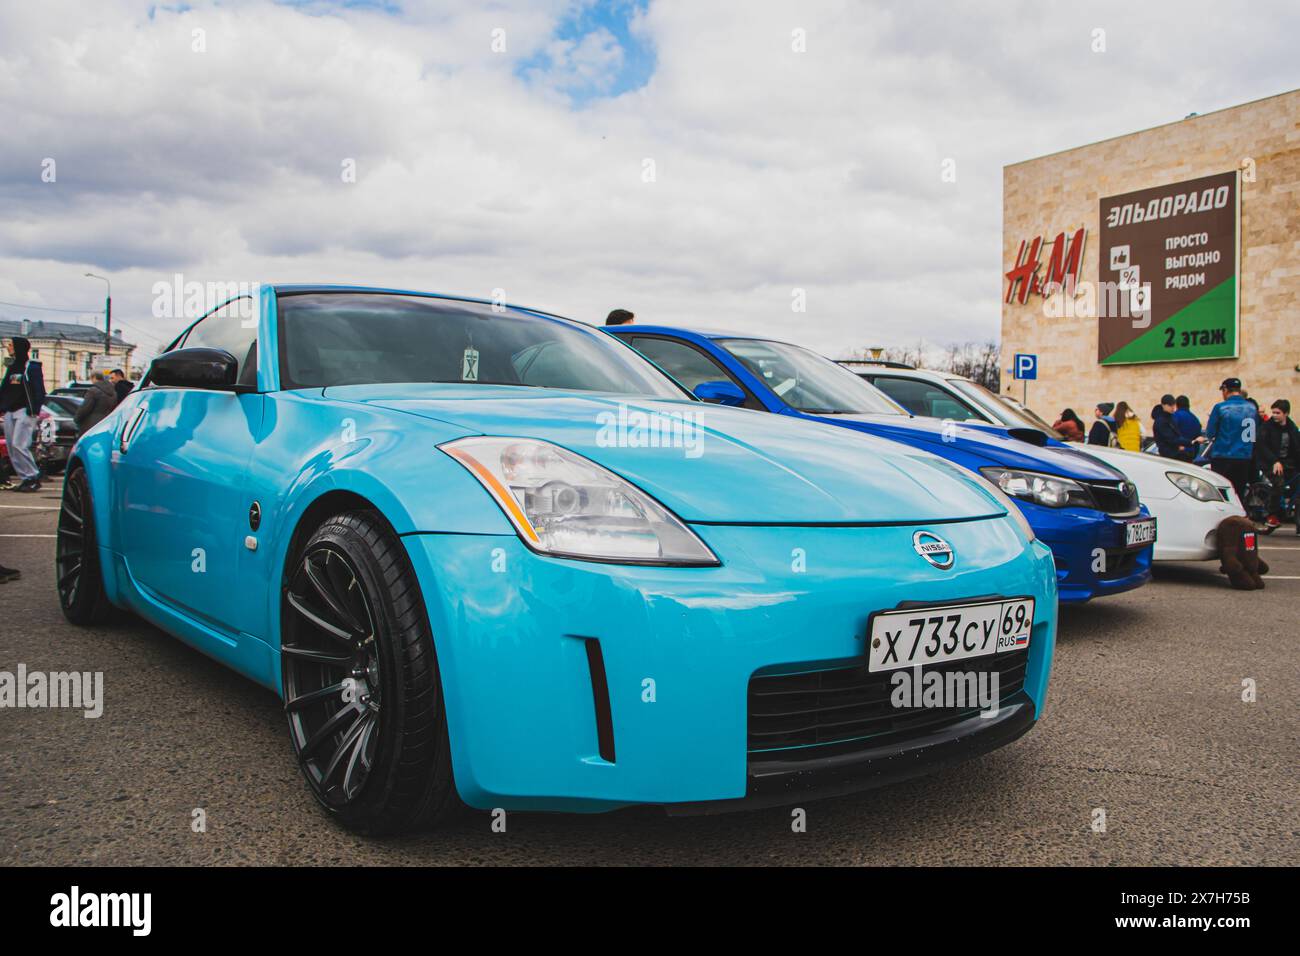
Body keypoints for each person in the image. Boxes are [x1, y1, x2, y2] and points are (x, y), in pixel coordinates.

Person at [1200, 377, 1257, 503]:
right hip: (1244, 456)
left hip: (1223, 455)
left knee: (1222, 494)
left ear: (1225, 390)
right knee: (1239, 494)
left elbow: (1210, 433)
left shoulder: (1221, 407)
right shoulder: (1252, 408)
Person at [1, 335, 46, 493]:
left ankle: (33, 477)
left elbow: (39, 390)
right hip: (10, 412)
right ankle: (25, 478)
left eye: (11, 345)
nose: (8, 347)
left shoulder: (31, 367)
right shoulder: (12, 367)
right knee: (12, 447)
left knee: (20, 445)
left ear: (19, 347)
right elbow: (5, 389)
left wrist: (34, 410)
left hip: (25, 411)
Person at [1256, 399, 1299, 530]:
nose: (1274, 415)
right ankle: (1272, 515)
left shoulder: (1292, 428)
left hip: (1288, 463)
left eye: (1278, 413)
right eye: (1273, 412)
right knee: (1278, 483)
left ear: (1286, 413)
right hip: (1269, 463)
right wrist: (1275, 461)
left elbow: (1296, 448)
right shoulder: (1266, 427)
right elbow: (1262, 446)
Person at [73, 370, 118, 434]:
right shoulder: (113, 392)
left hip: (91, 425)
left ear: (94, 377)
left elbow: (85, 408)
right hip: (106, 424)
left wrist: (77, 418)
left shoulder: (93, 391)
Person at [1152, 393, 1193, 460]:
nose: (1173, 407)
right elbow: (1170, 438)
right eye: (1170, 405)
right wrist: (1190, 442)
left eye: (1174, 405)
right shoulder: (1161, 420)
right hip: (1168, 455)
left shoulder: (1171, 417)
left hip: (1173, 453)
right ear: (1163, 405)